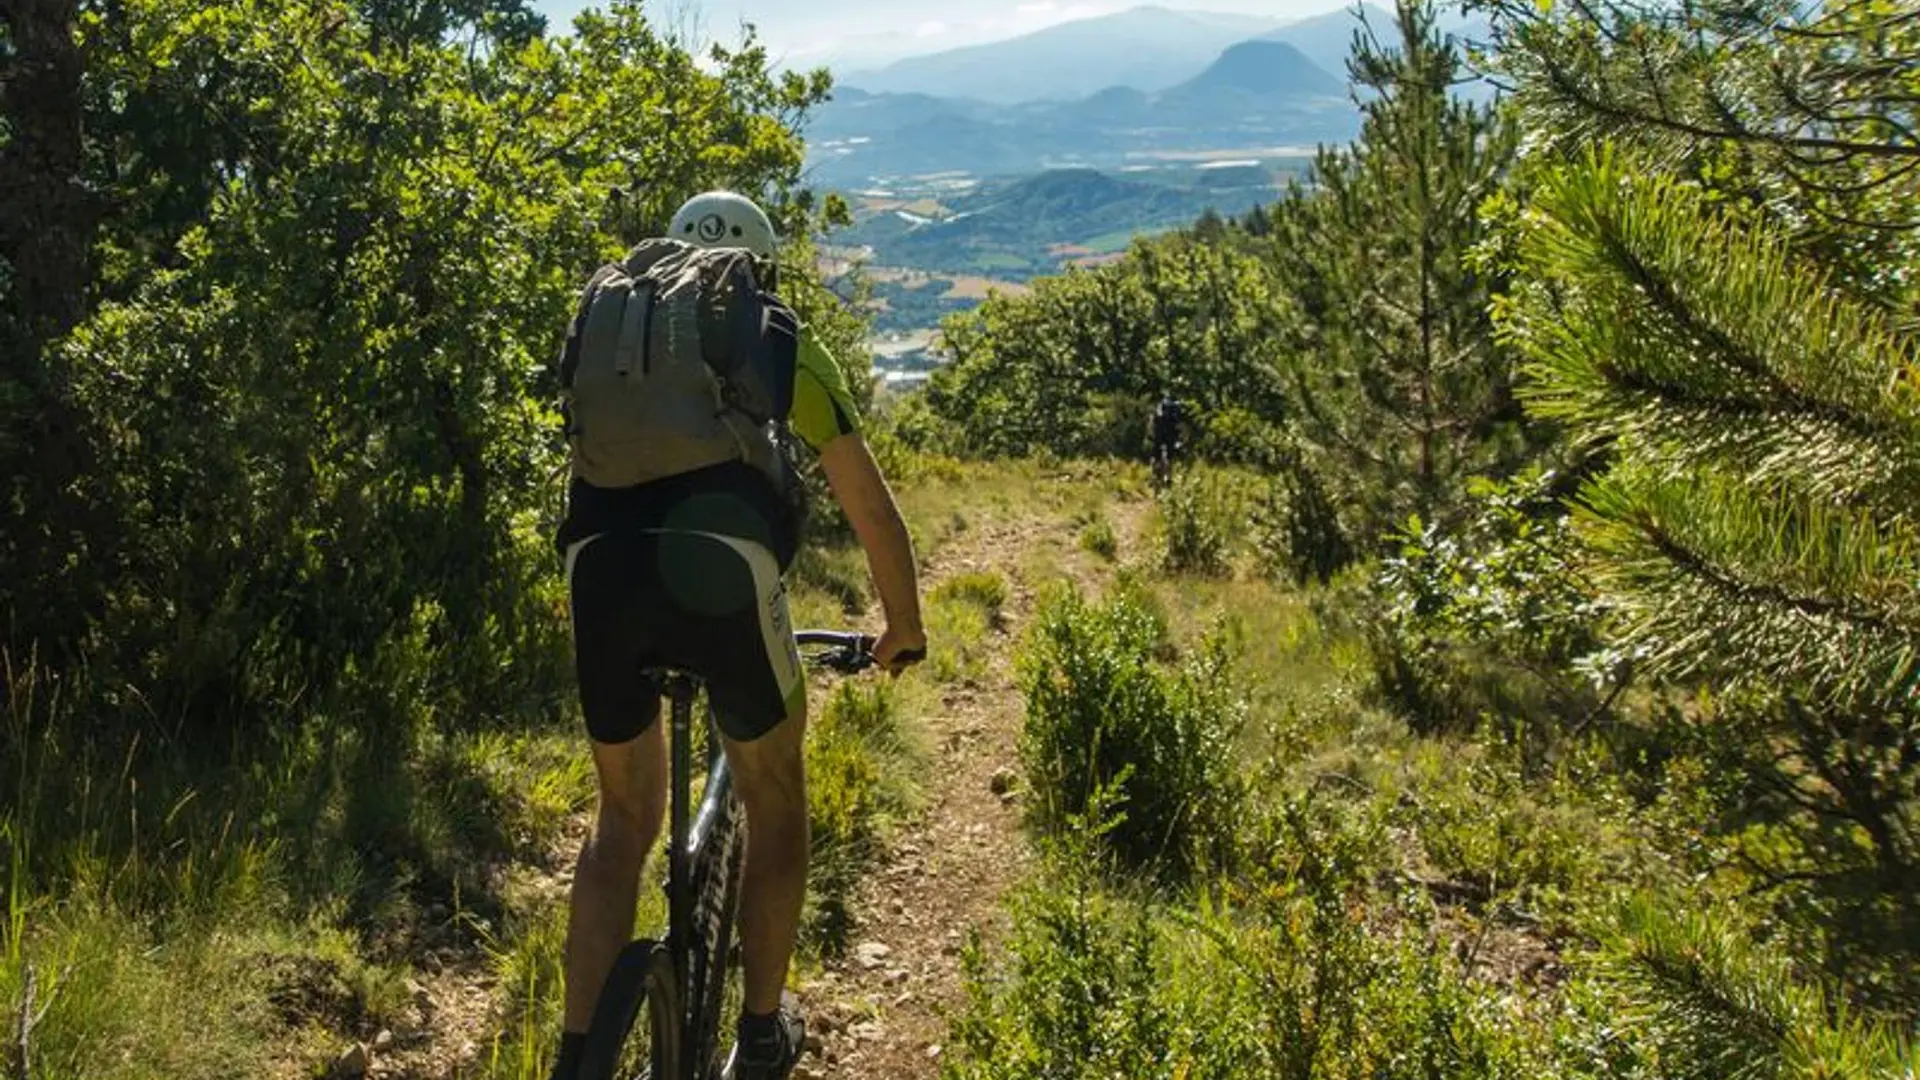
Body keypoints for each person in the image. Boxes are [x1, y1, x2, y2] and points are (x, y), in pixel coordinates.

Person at [548, 191, 927, 1080]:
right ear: (755, 268)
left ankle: (576, 1059)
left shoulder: (619, 326)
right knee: (776, 790)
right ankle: (760, 1036)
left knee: (621, 820)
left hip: (599, 567)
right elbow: (868, 505)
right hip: (721, 571)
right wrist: (902, 626)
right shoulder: (769, 328)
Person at [1150, 393, 1185, 484]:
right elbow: (1180, 425)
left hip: (1159, 432)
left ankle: (1153, 476)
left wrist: (1151, 434)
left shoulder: (1159, 407)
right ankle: (1168, 477)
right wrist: (1180, 439)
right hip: (1171, 433)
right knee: (1169, 457)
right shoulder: (1176, 408)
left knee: (1155, 455)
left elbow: (1152, 422)